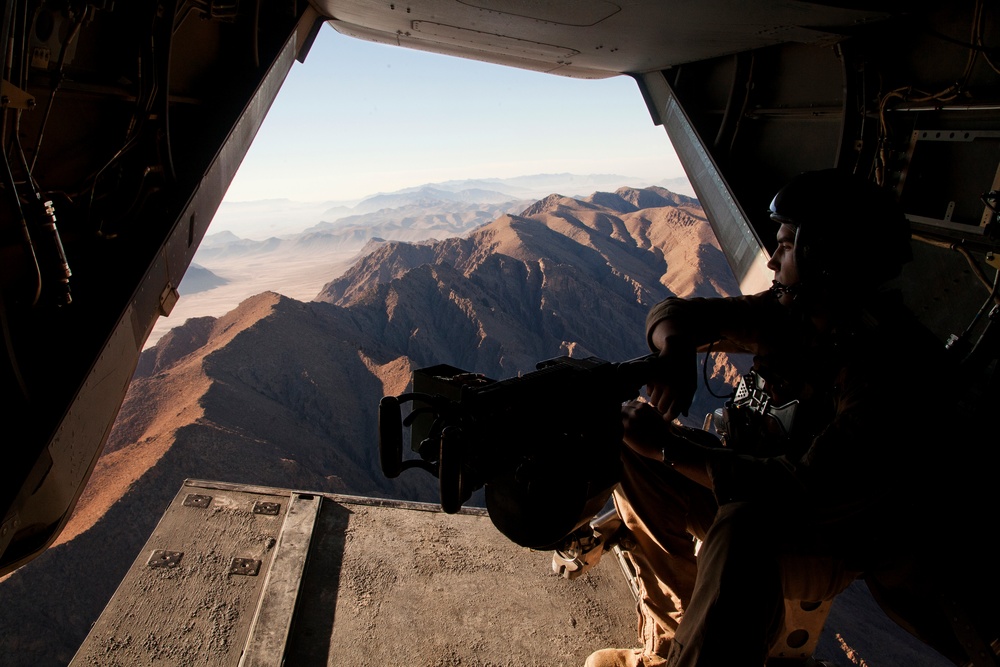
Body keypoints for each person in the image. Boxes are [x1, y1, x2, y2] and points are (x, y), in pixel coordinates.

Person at [582, 168, 972, 667]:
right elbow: (673, 312)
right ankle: (673, 640)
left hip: (824, 538)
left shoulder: (889, 366)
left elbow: (801, 489)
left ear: (822, 255)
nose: (771, 259)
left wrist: (670, 447)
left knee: (743, 525)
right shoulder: (799, 314)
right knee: (628, 448)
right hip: (753, 484)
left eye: (786, 246)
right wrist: (677, 347)